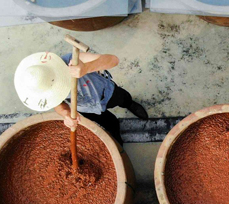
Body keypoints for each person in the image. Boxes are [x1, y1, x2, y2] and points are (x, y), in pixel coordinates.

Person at [14, 51, 147, 144]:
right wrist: (66, 114)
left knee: (123, 98)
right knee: (108, 122)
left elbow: (113, 60)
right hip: (85, 108)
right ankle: (116, 138)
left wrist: (87, 67)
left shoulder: (72, 60)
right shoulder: (42, 90)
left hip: (106, 92)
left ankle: (129, 104)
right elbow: (58, 105)